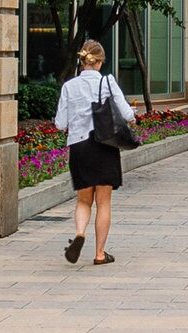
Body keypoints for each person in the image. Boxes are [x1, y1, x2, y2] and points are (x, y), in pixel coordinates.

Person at [56, 37, 133, 265]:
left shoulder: (69, 86)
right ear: (99, 62)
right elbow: (127, 114)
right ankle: (100, 254)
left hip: (79, 146)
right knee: (104, 201)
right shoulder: (108, 82)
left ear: (82, 61)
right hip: (104, 145)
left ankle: (80, 234)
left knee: (83, 200)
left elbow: (60, 123)